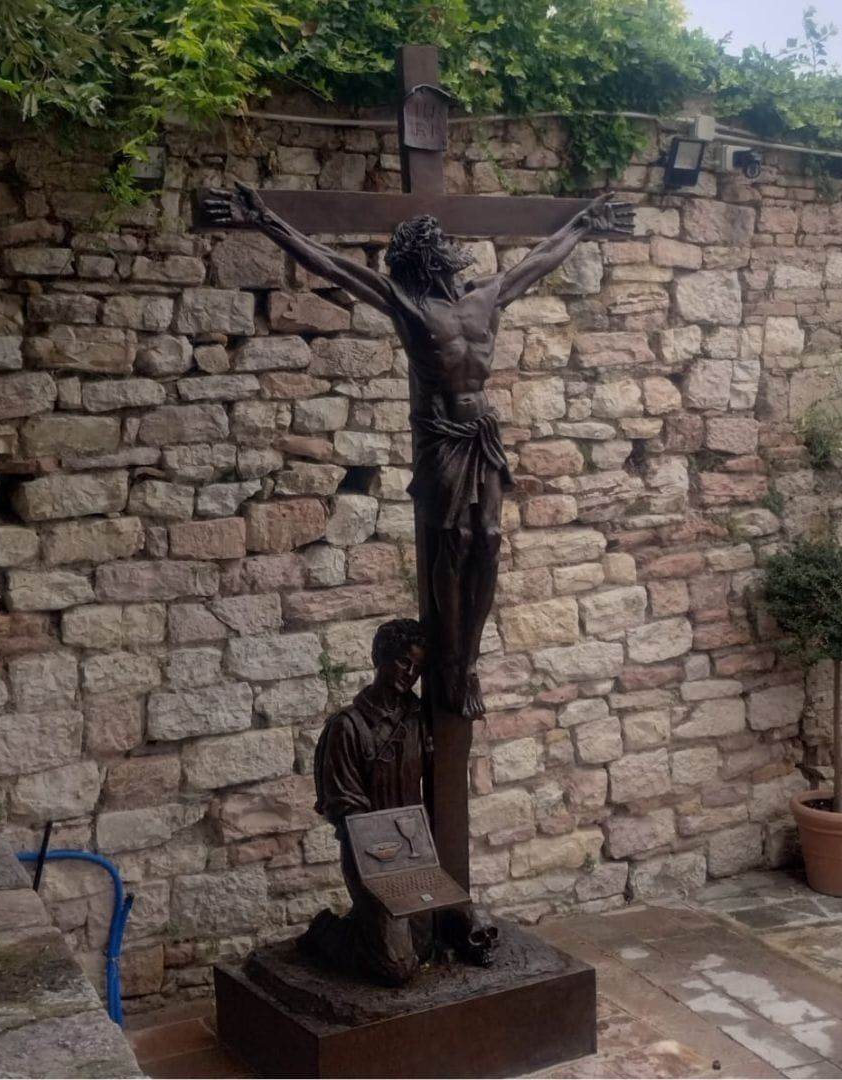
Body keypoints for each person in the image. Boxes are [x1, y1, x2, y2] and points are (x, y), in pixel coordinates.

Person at [201, 184, 634, 718]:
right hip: (442, 435)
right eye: (438, 247)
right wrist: (266, 220)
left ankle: (468, 659)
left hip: (481, 431)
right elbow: (331, 265)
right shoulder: (406, 304)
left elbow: (540, 259)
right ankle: (450, 658)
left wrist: (585, 223)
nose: (448, 251)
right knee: (455, 540)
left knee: (489, 539)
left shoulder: (487, 295)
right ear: (426, 258)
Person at [298, 618, 433, 985]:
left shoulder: (419, 719)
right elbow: (343, 805)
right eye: (402, 662)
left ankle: (370, 927)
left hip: (414, 853)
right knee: (396, 966)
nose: (409, 674)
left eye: (418, 667)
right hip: (369, 854)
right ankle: (327, 933)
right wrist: (381, 851)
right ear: (379, 657)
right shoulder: (348, 726)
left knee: (425, 946)